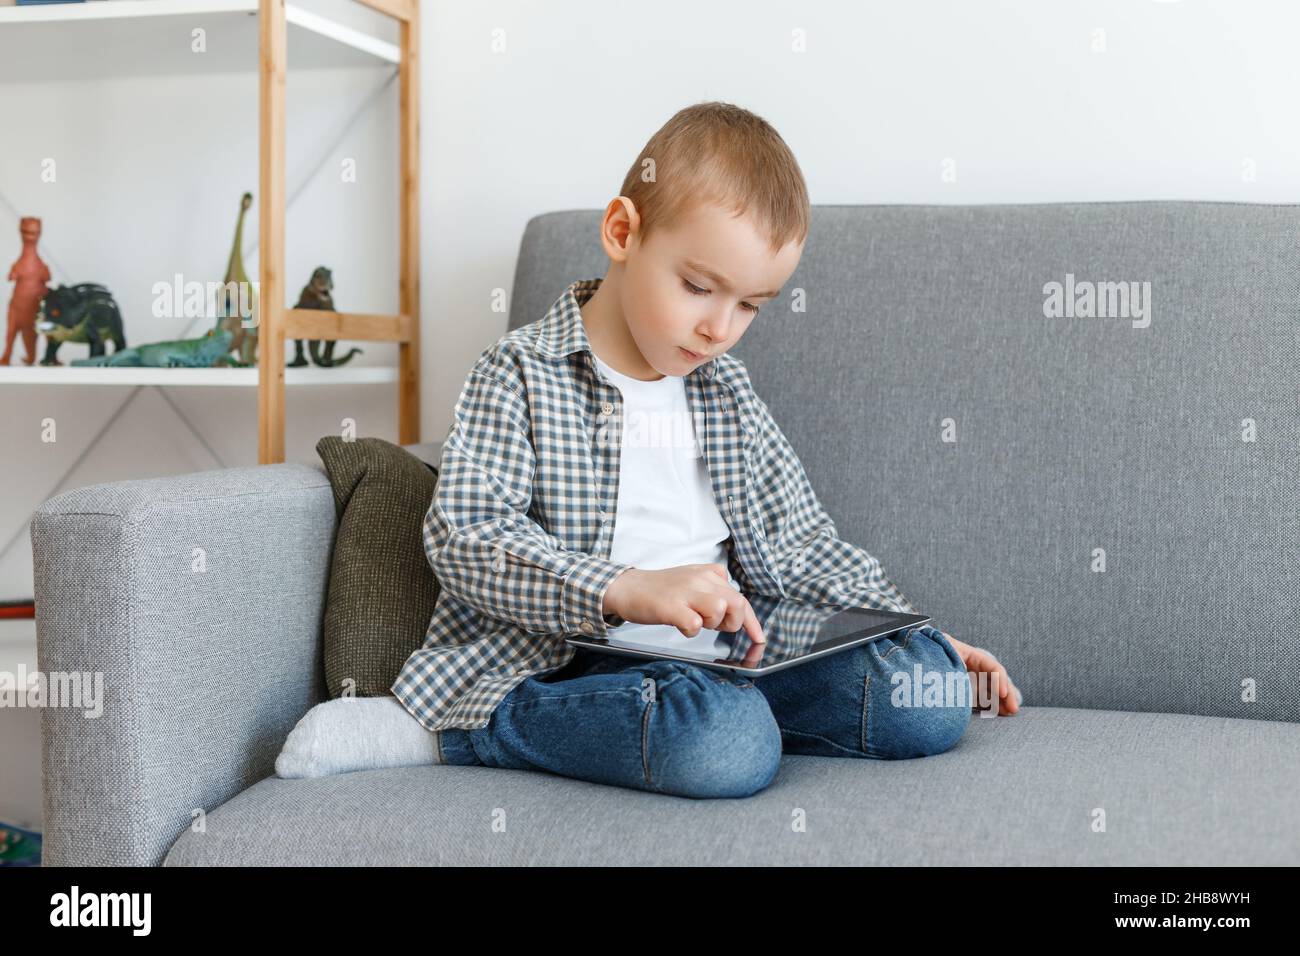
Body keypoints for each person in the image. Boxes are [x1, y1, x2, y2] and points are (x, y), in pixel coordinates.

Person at [276, 101, 1020, 796]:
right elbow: (468, 538)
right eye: (699, 287)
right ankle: (463, 733)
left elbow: (801, 547)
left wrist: (906, 626)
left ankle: (735, 716)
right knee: (722, 739)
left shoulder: (726, 393)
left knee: (927, 692)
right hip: (567, 663)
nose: (720, 329)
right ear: (624, 233)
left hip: (727, 666)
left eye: (749, 307)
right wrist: (624, 588)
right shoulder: (520, 372)